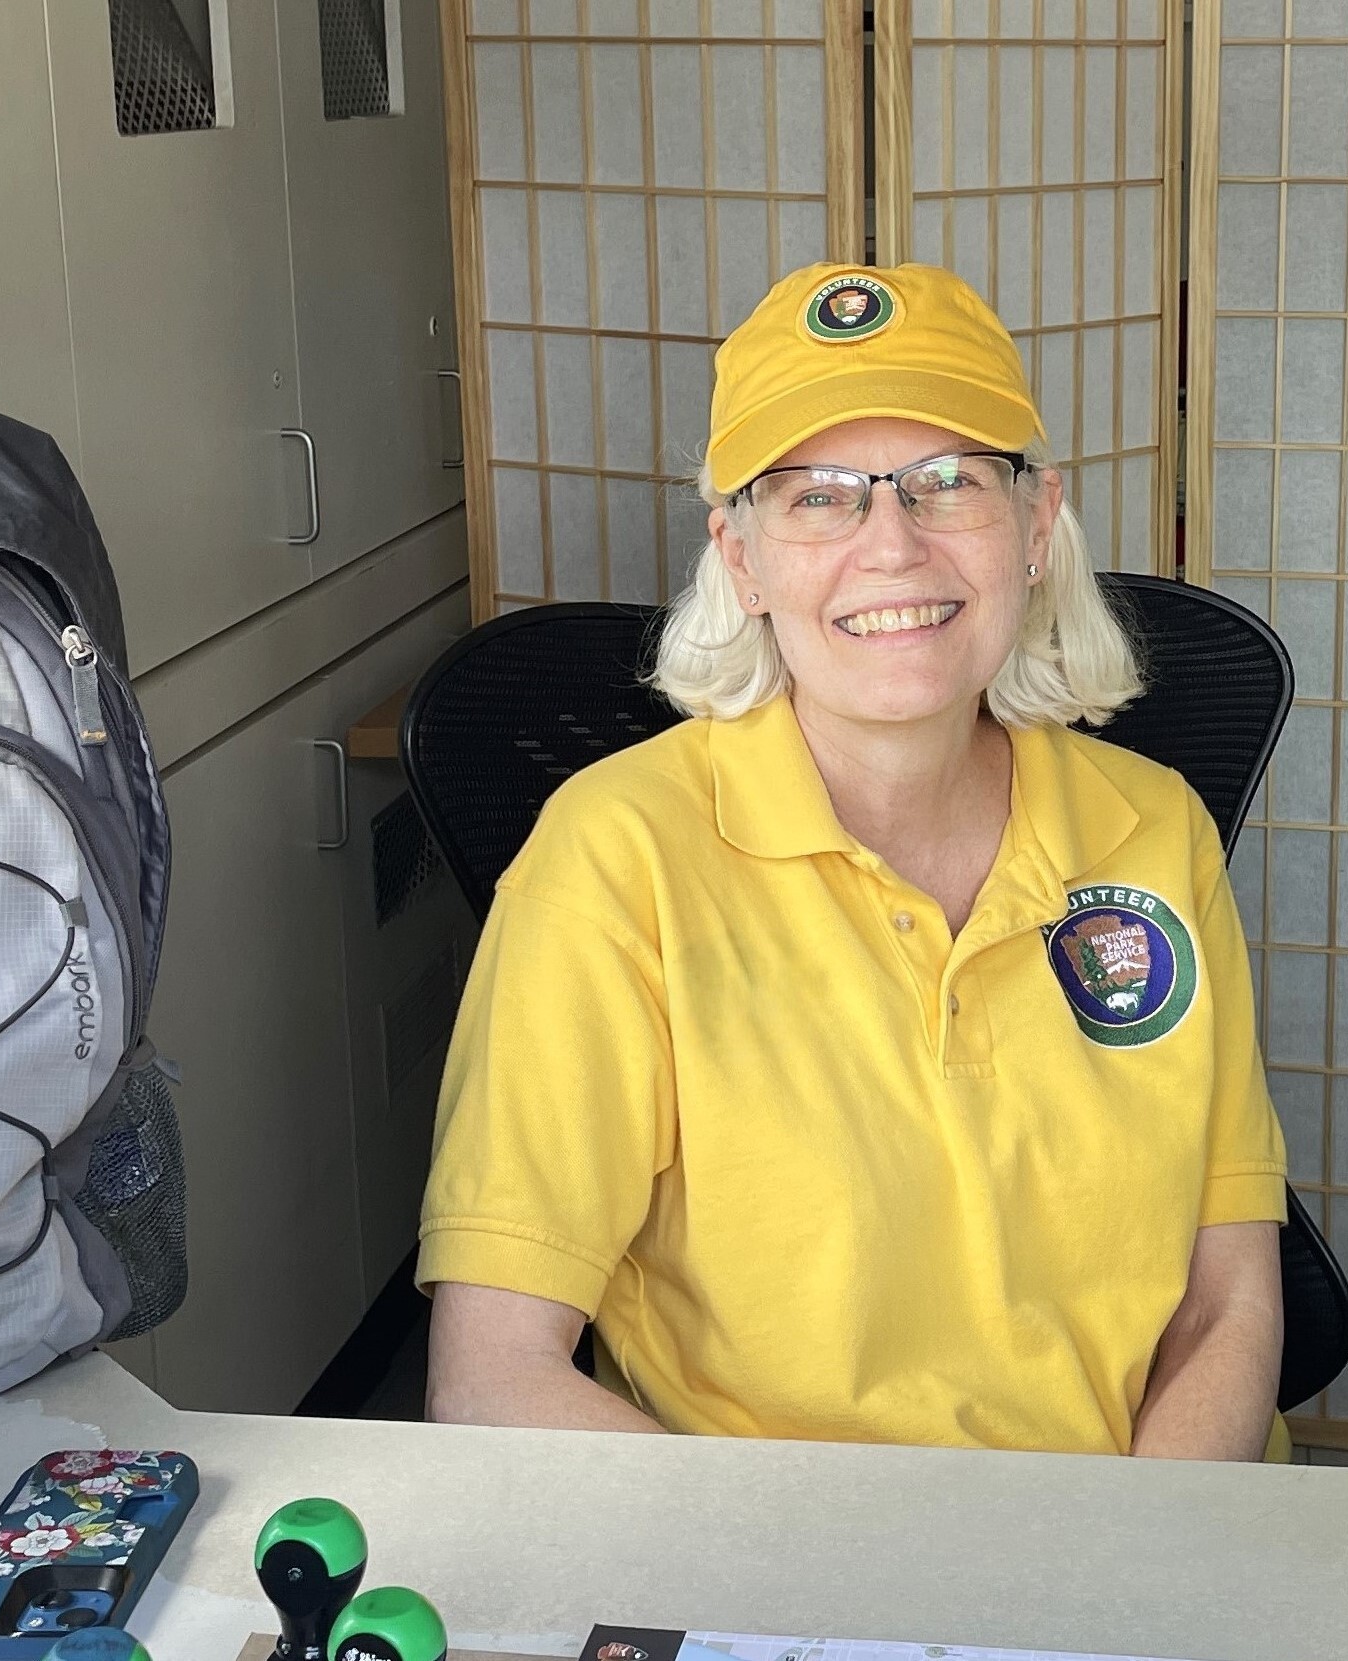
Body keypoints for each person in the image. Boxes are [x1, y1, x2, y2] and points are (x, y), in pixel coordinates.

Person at [418, 263, 1288, 1461]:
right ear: (741, 557)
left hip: (1137, 1546)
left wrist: (1116, 1584)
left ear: (1037, 526)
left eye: (948, 482)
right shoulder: (614, 860)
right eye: (819, 497)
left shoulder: (1153, 828)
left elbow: (1228, 1294)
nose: (892, 545)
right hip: (780, 1571)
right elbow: (492, 1380)